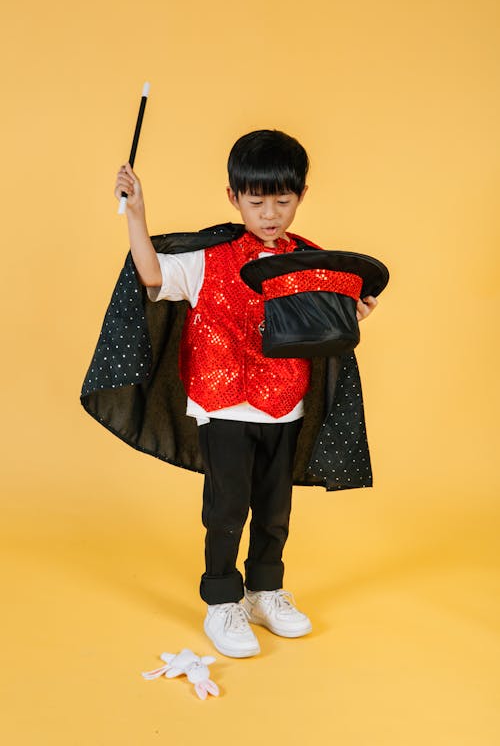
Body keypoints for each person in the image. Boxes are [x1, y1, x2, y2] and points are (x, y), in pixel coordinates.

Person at [112, 129, 378, 658]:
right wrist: (137, 214)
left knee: (275, 508)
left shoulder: (310, 261)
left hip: (286, 403)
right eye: (257, 202)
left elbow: (333, 325)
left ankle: (265, 591)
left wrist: (354, 315)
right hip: (223, 401)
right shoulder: (208, 259)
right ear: (234, 198)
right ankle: (222, 599)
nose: (271, 214)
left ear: (302, 194)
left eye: (283, 201)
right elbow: (150, 273)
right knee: (228, 505)